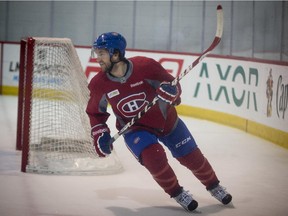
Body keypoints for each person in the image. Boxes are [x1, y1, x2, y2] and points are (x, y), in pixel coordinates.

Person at [86, 32, 232, 212]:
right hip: (136, 130)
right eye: (97, 53)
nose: (97, 58)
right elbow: (95, 113)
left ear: (116, 54)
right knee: (154, 158)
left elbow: (174, 87)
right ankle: (177, 193)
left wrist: (172, 92)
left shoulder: (146, 67)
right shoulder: (98, 84)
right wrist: (100, 134)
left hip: (167, 122)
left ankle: (214, 185)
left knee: (192, 158)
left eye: (101, 53)